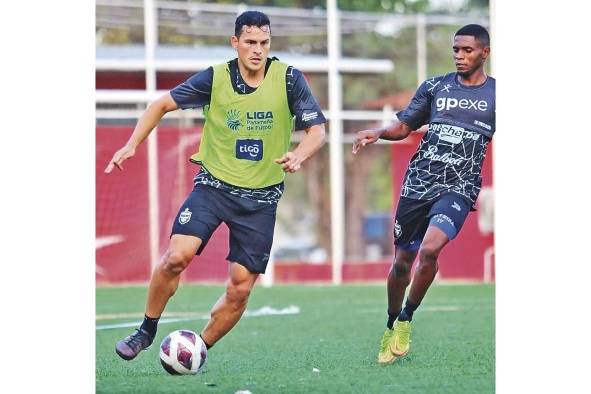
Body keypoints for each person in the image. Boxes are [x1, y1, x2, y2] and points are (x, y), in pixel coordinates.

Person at [105, 10, 326, 361]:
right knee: (177, 257)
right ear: (235, 42)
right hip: (214, 187)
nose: (257, 50)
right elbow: (160, 105)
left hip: (261, 200)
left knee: (239, 289)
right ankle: (145, 330)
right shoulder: (215, 78)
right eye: (250, 42)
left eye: (264, 43)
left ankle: (195, 351)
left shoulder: (288, 79)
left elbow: (318, 131)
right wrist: (132, 144)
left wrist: (299, 155)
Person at [352, 24, 494, 364]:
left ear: (484, 53)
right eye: (456, 49)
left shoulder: (498, 95)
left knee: (430, 251)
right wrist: (378, 132)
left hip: (459, 188)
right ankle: (389, 324)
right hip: (418, 184)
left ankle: (406, 320)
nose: (460, 56)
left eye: (468, 50)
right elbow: (404, 126)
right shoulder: (435, 86)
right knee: (402, 262)